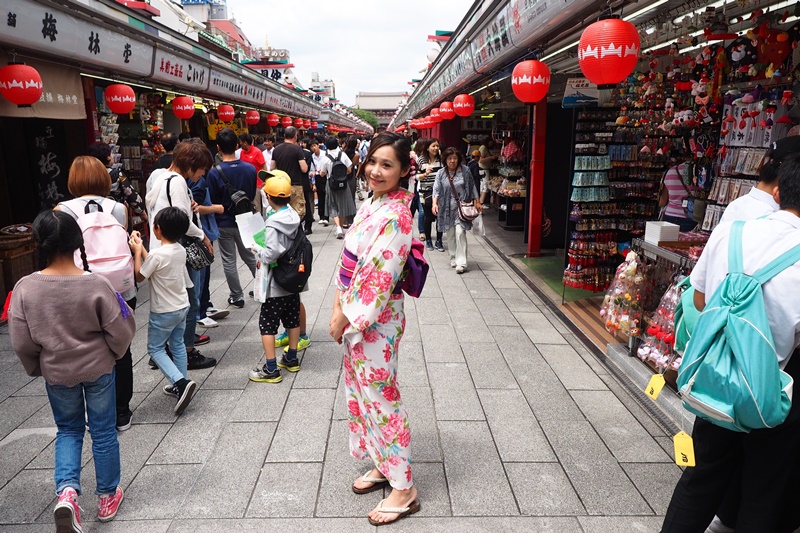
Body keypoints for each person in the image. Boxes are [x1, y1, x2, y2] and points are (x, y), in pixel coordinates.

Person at [661, 154, 800, 533]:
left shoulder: (734, 229)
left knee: (700, 478)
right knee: (765, 489)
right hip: (773, 391)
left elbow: (701, 299)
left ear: (779, 190)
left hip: (717, 380)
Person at [8, 210, 136, 531]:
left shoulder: (25, 288)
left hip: (57, 372)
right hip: (98, 369)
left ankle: (67, 494)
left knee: (68, 430)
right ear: (78, 242)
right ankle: (107, 496)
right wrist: (115, 354)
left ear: (40, 243)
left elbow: (21, 341)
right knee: (104, 431)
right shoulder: (96, 283)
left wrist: (36, 366)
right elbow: (120, 329)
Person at [330, 132, 420, 526]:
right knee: (363, 393)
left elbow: (378, 277)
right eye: (373, 162)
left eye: (388, 165)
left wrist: (344, 316)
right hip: (356, 313)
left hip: (374, 319)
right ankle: (384, 462)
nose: (376, 171)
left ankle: (405, 487)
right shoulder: (374, 203)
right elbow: (351, 260)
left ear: (403, 170)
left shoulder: (398, 215)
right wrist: (337, 303)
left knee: (382, 397)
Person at [54, 156, 137, 432]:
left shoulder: (62, 210)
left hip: (82, 289)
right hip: (121, 287)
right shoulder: (118, 208)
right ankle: (122, 412)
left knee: (91, 348)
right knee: (122, 349)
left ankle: (98, 414)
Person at [145, 140, 217, 369]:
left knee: (174, 303)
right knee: (189, 302)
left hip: (162, 249)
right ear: (191, 164)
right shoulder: (176, 181)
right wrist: (203, 235)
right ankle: (185, 352)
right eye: (202, 168)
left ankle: (166, 351)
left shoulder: (160, 177)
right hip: (177, 251)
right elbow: (182, 222)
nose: (203, 174)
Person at [128, 208, 198, 415]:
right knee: (177, 344)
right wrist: (142, 249)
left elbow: (141, 276)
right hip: (182, 306)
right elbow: (155, 266)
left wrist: (137, 252)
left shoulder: (157, 254)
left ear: (157, 229)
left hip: (163, 311)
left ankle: (181, 382)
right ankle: (181, 383)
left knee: (156, 349)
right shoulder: (180, 249)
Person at [248, 171, 304, 384]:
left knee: (267, 325)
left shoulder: (273, 224)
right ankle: (291, 357)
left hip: (276, 283)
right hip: (292, 280)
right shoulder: (293, 216)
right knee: (292, 319)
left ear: (269, 198)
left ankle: (271, 368)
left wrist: (255, 248)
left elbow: (271, 253)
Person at [205, 128, 258, 309]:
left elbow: (212, 200)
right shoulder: (250, 169)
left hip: (224, 221)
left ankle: (237, 296)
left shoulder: (214, 173)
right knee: (251, 256)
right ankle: (263, 286)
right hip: (246, 219)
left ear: (218, 148)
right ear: (236, 145)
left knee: (229, 260)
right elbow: (251, 195)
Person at [433, 147, 481, 274]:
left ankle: (461, 262)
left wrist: (477, 200)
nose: (452, 161)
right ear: (445, 160)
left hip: (461, 206)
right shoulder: (441, 173)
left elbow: (472, 186)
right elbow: (436, 189)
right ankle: (453, 257)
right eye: (450, 159)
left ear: (459, 159)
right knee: (450, 234)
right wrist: (434, 204)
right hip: (446, 208)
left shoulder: (465, 171)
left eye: (455, 158)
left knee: (460, 232)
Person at [87, 142, 147, 234]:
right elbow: (131, 195)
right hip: (116, 215)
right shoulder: (117, 174)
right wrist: (142, 212)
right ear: (107, 157)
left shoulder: (88, 176)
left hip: (94, 216)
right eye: (111, 154)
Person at [320, 135, 356, 239]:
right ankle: (341, 225)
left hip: (331, 184)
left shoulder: (325, 158)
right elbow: (349, 170)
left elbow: (322, 173)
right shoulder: (343, 155)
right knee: (343, 205)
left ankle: (338, 228)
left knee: (333, 205)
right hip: (343, 184)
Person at [271, 127, 309, 220]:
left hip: (281, 186)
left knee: (283, 210)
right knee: (297, 211)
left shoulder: (276, 149)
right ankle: (296, 231)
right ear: (295, 136)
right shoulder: (297, 149)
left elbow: (272, 167)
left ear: (284, 136)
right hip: (295, 185)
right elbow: (304, 169)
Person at [417, 138, 444, 251]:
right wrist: (425, 174)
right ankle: (428, 240)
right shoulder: (421, 160)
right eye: (433, 146)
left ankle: (439, 240)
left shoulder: (442, 159)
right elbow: (416, 177)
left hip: (439, 193)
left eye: (437, 146)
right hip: (425, 192)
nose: (436, 148)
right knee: (428, 217)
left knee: (439, 217)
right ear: (427, 148)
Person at [659, 161, 696, 232]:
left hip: (670, 215)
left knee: (668, 241)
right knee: (684, 242)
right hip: (689, 216)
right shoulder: (698, 172)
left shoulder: (670, 172)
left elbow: (662, 202)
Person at [311, 137, 329, 226]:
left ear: (318, 145)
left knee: (326, 196)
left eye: (315, 145)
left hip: (325, 177)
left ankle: (326, 216)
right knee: (320, 196)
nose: (314, 148)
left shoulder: (325, 154)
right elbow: (313, 169)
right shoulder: (312, 157)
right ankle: (321, 216)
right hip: (318, 178)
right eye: (312, 147)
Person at [300, 137, 316, 235]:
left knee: (306, 204)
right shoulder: (307, 153)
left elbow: (308, 169)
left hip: (304, 182)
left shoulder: (307, 154)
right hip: (299, 183)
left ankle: (308, 226)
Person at [344, 136, 362, 207]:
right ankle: (351, 210)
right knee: (351, 193)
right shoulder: (356, 155)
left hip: (343, 173)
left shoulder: (343, 152)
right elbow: (355, 164)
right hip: (351, 174)